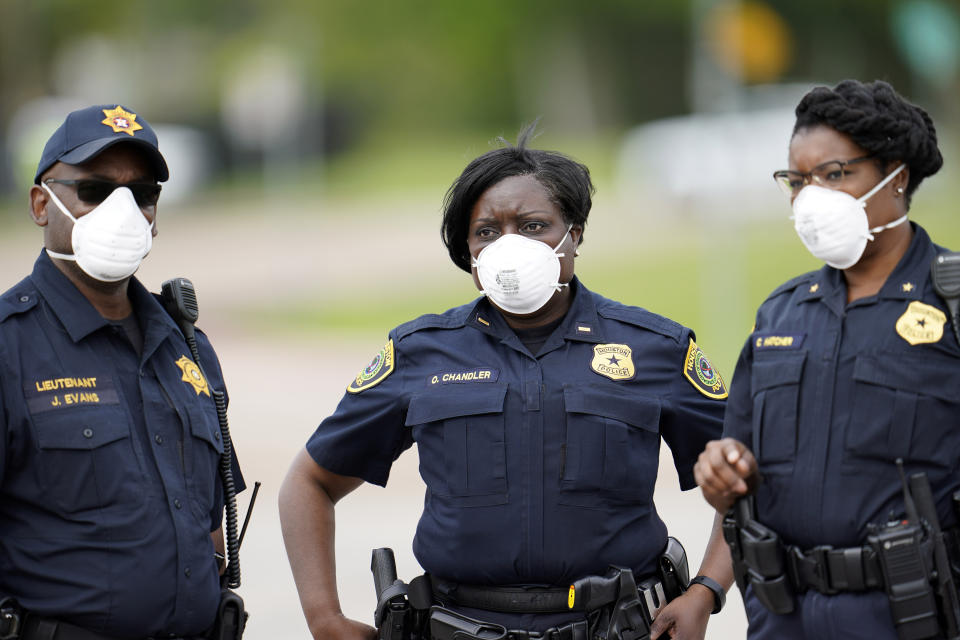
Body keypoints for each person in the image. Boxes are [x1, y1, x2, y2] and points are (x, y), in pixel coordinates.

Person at [279, 126, 732, 640]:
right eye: (487, 232)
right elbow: (310, 482)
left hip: (618, 626)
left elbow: (749, 479)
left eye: (534, 225)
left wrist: (707, 591)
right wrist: (323, 617)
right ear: (468, 250)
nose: (509, 245)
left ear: (574, 234)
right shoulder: (420, 351)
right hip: (458, 625)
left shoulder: (655, 347)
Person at [694, 79, 953, 639]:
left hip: (912, 613)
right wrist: (723, 474)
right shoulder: (781, 315)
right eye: (797, 180)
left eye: (834, 175)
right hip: (785, 614)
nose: (811, 197)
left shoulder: (951, 305)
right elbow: (739, 465)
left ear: (897, 176)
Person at [0, 104, 244, 639]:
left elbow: (208, 526)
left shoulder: (188, 347)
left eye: (142, 194)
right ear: (42, 204)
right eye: (94, 190)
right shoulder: (9, 347)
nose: (124, 210)